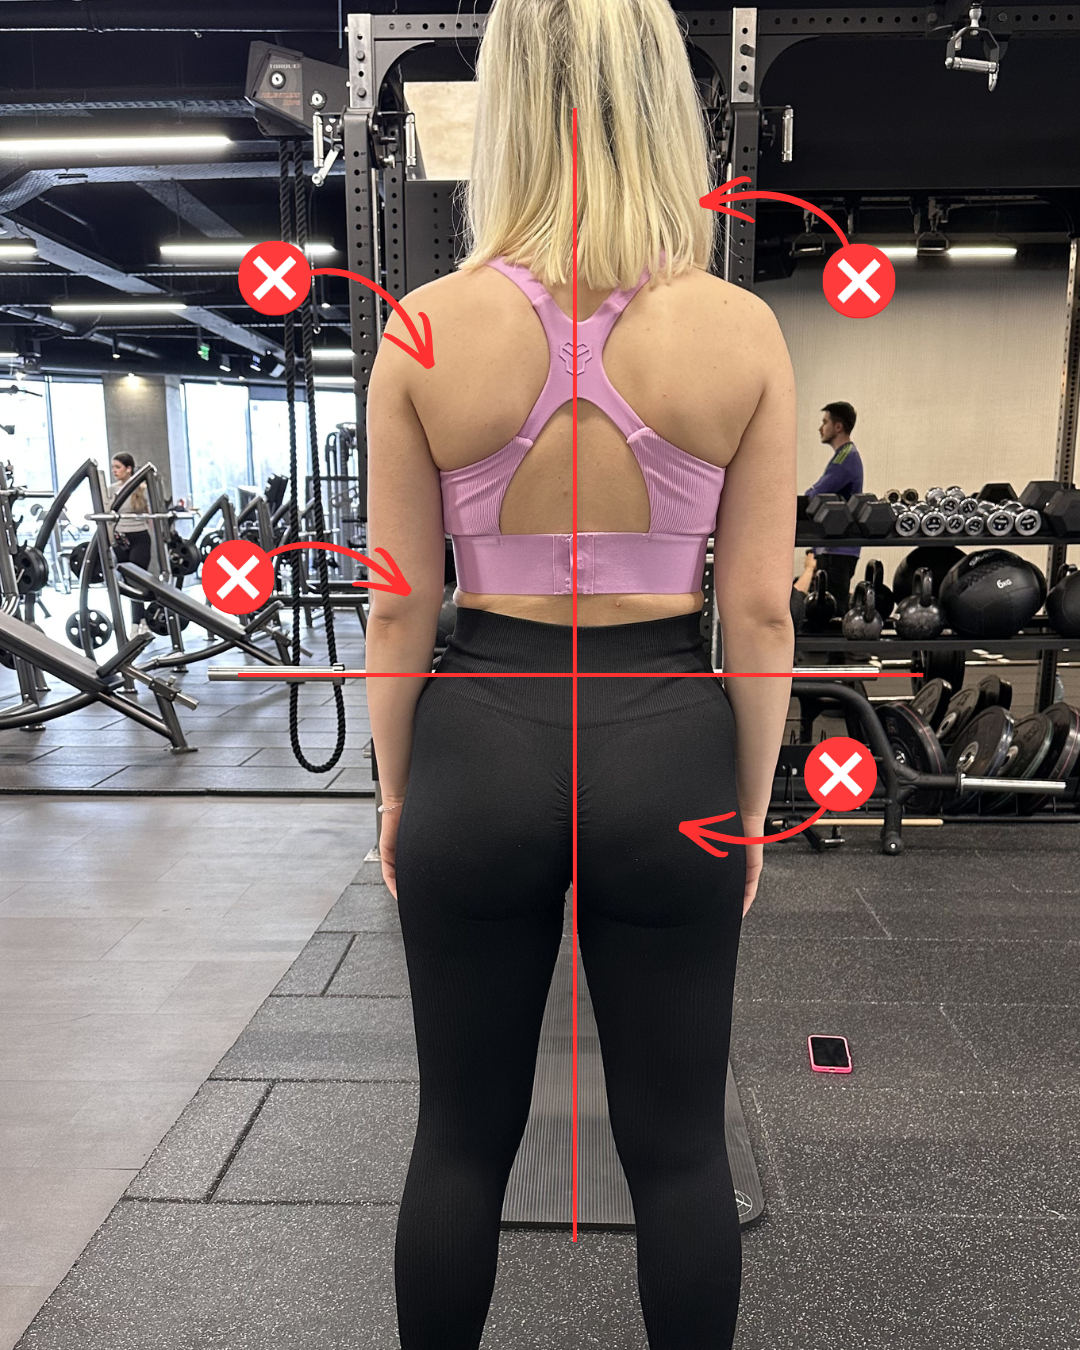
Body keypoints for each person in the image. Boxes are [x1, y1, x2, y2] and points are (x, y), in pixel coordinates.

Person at [365, 2, 796, 1346]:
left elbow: (399, 607)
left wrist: (397, 793)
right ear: (663, 102)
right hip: (668, 743)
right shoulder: (741, 332)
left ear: (503, 101)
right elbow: (761, 612)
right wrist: (750, 803)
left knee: (457, 1140)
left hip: (480, 738)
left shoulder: (423, 328)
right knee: (680, 1152)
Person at [806, 401, 863, 613]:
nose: (820, 428)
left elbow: (815, 494)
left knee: (832, 613)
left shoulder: (846, 458)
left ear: (838, 427)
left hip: (838, 551)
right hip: (832, 549)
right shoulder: (843, 456)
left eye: (825, 422)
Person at [109, 453, 153, 634]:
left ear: (129, 469)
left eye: (118, 467)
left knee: (137, 579)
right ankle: (142, 620)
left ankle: (135, 624)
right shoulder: (111, 490)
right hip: (121, 538)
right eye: (113, 467)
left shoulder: (142, 488)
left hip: (139, 537)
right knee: (127, 581)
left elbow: (151, 513)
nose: (114, 471)